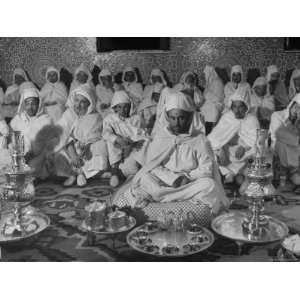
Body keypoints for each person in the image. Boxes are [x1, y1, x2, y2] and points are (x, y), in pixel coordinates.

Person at [113, 90, 229, 215]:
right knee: (145, 179)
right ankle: (184, 208)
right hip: (165, 183)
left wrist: (187, 177)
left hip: (189, 184)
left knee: (209, 185)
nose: (177, 123)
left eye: (181, 118)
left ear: (190, 117)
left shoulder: (199, 140)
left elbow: (206, 169)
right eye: (173, 118)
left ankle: (158, 207)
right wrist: (173, 179)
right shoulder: (161, 137)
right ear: (167, 116)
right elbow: (153, 166)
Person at [52, 84, 108, 187]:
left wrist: (87, 146)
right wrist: (72, 153)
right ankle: (74, 173)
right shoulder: (68, 114)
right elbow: (60, 133)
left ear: (89, 103)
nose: (78, 105)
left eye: (83, 102)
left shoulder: (95, 117)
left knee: (101, 146)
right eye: (77, 100)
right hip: (69, 148)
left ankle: (82, 173)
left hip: (86, 148)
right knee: (57, 150)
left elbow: (97, 135)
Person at [208, 87, 260, 186]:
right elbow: (213, 139)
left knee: (259, 149)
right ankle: (228, 176)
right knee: (211, 152)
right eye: (234, 107)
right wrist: (220, 149)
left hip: (246, 161)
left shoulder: (252, 120)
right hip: (227, 161)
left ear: (246, 107)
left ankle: (241, 176)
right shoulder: (227, 118)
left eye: (240, 107)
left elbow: (256, 141)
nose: (237, 110)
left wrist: (243, 146)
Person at [10, 87, 58, 179]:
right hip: (21, 155)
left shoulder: (46, 120)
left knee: (31, 168)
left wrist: (33, 153)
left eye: (33, 104)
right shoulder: (17, 120)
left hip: (39, 155)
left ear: (39, 104)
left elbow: (51, 143)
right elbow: (12, 139)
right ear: (23, 105)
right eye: (27, 104)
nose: (30, 107)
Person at [102, 90, 148, 186]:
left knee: (146, 144)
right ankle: (114, 172)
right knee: (110, 142)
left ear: (130, 106)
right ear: (115, 107)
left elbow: (143, 133)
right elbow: (106, 133)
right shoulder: (110, 119)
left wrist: (133, 143)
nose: (123, 110)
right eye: (119, 107)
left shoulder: (137, 119)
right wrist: (117, 139)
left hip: (133, 146)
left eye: (125, 107)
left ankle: (127, 172)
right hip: (118, 146)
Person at [270, 93, 300, 186]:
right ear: (292, 104)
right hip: (279, 152)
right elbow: (278, 135)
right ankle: (289, 174)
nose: (297, 111)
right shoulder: (277, 115)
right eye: (297, 106)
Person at [201, 65, 225, 134]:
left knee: (211, 109)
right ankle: (206, 131)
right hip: (209, 104)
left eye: (205, 74)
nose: (204, 75)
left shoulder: (217, 82)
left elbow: (218, 98)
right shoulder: (209, 83)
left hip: (217, 104)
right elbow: (204, 96)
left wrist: (207, 95)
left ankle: (210, 130)